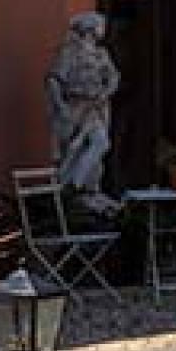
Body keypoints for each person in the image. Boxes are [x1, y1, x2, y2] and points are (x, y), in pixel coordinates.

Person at [46, 11, 123, 205]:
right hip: (76, 105)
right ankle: (73, 189)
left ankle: (79, 185)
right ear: (90, 29)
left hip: (96, 107)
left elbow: (114, 76)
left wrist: (107, 91)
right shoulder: (69, 52)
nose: (102, 29)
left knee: (101, 143)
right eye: (100, 25)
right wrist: (60, 106)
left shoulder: (101, 54)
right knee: (74, 147)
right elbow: (54, 79)